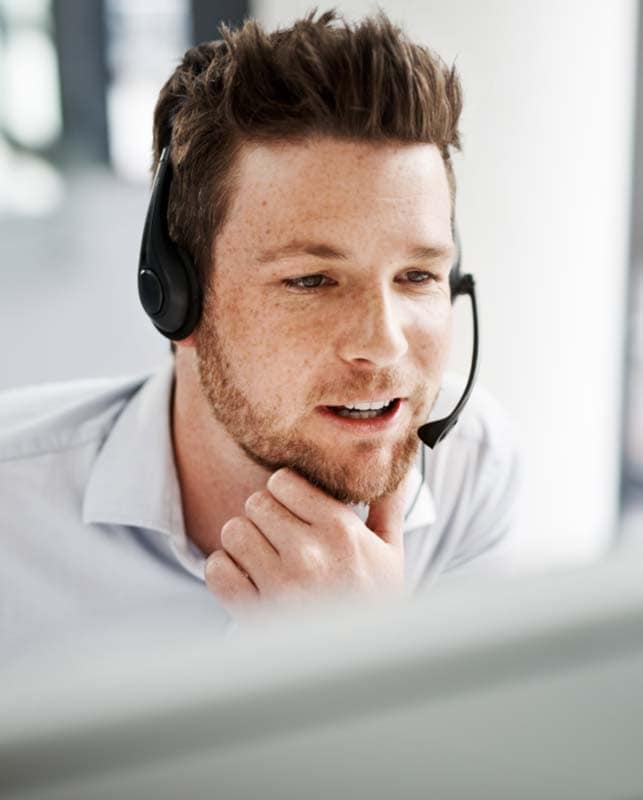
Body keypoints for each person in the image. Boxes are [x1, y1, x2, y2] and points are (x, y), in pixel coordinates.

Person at [0, 10, 521, 650]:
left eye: (417, 276)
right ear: (176, 297)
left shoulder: (472, 472)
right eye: (311, 281)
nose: (383, 343)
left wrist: (366, 651)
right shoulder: (12, 511)